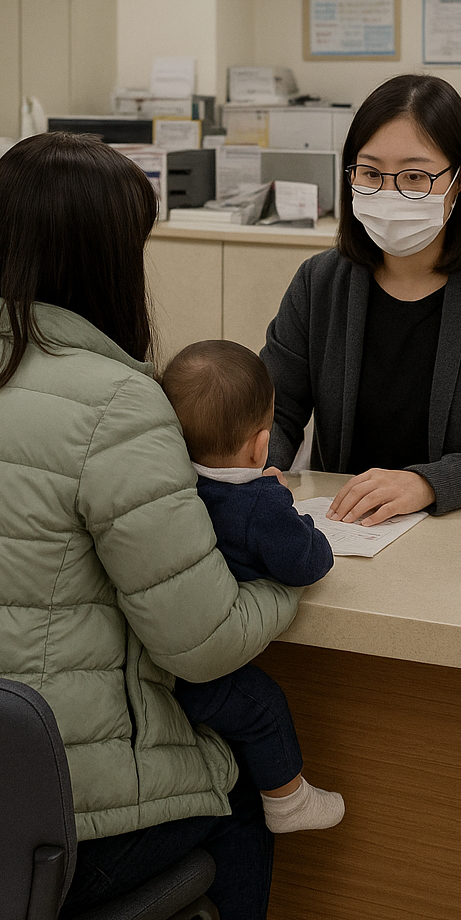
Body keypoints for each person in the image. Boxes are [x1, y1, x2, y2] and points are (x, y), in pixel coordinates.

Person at [0, 132, 302, 920]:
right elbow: (201, 644)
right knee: (241, 798)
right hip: (56, 826)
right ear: (107, 261)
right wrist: (286, 583)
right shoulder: (117, 405)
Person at [262, 73, 461, 523]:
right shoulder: (320, 281)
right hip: (344, 526)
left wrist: (430, 483)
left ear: (458, 180)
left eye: (414, 176)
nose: (389, 193)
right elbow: (274, 410)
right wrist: (258, 466)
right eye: (371, 173)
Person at [162, 339, 343, 835]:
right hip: (206, 674)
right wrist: (290, 510)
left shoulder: (171, 488)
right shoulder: (260, 505)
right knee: (264, 707)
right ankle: (288, 802)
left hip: (160, 665)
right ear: (262, 445)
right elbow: (310, 562)